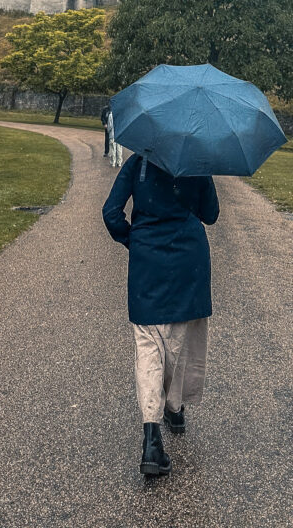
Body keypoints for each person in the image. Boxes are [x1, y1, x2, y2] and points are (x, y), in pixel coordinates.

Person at [102, 153, 219, 476]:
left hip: (147, 264)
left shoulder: (138, 162)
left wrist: (136, 240)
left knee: (149, 344)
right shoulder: (196, 164)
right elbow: (210, 214)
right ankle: (175, 408)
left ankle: (152, 437)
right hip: (188, 261)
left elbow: (111, 213)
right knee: (181, 339)